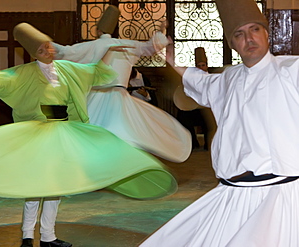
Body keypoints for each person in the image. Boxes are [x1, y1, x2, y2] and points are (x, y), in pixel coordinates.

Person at [0, 23, 178, 247]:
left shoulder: (68, 69)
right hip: (37, 134)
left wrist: (112, 56)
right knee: (35, 186)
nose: (48, 51)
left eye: (48, 46)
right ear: (34, 54)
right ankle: (28, 235)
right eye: (41, 50)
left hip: (62, 132)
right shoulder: (24, 73)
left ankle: (48, 236)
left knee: (55, 186)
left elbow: (94, 72)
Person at [140, 0, 299, 246]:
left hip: (280, 195)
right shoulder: (228, 78)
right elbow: (200, 82)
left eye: (254, 30)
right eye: (239, 34)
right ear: (232, 44)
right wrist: (171, 59)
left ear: (267, 34)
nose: (249, 38)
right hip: (232, 194)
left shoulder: (291, 70)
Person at [53, 5, 191, 163]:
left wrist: (46, 46)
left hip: (96, 97)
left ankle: (99, 167)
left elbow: (67, 52)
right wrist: (160, 33)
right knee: (125, 132)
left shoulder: (94, 45)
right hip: (120, 97)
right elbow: (150, 47)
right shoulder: (128, 45)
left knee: (91, 133)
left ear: (98, 31)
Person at [175, 47, 215, 150]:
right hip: (193, 109)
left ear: (207, 66)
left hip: (207, 109)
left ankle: (208, 143)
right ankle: (193, 142)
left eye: (203, 65)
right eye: (198, 66)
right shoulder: (190, 79)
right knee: (183, 115)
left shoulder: (212, 78)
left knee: (209, 115)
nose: (201, 68)